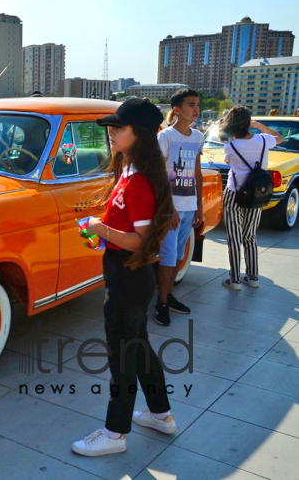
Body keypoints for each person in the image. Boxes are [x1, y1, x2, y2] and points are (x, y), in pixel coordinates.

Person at [71, 98, 176, 457]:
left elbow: (141, 241)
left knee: (122, 359)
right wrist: (99, 229)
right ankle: (161, 415)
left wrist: (102, 228)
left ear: (141, 135)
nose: (112, 133)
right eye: (111, 127)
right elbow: (127, 226)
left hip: (129, 277)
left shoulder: (141, 181)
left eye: (120, 128)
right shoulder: (130, 173)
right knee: (139, 348)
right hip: (124, 274)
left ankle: (115, 434)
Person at [219, 106, 283, 290]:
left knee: (234, 237)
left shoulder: (230, 146)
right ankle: (253, 276)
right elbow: (280, 138)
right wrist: (261, 126)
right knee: (250, 236)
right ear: (249, 122)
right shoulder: (264, 140)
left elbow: (229, 162)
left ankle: (235, 280)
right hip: (256, 194)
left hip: (234, 193)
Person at [155, 89, 204, 326]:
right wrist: (169, 208)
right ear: (176, 110)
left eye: (197, 105)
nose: (196, 109)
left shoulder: (197, 137)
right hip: (170, 208)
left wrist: (199, 207)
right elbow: (158, 175)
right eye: (191, 105)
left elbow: (196, 173)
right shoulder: (166, 137)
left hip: (189, 205)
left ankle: (169, 295)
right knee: (167, 255)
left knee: (178, 255)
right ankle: (161, 303)